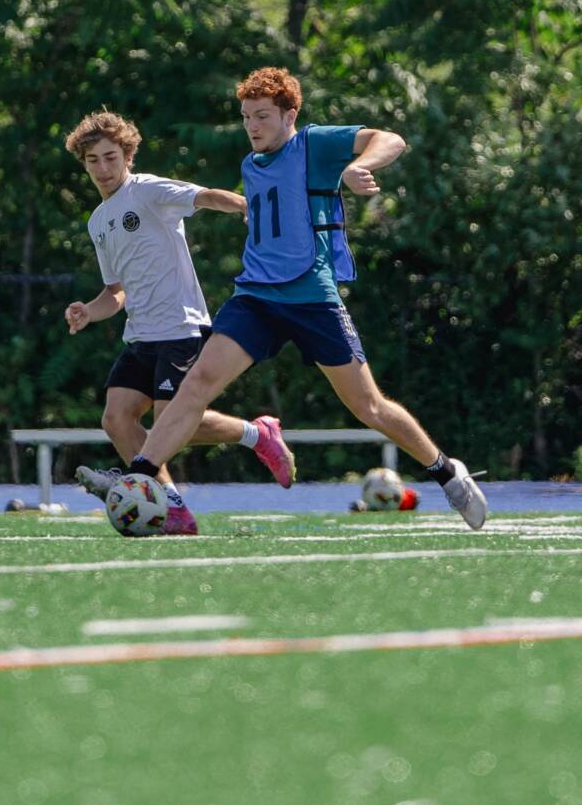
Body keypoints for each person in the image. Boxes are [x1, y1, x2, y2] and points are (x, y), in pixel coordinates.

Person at [113, 66, 487, 534]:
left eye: (263, 116)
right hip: (255, 297)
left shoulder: (313, 144)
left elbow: (390, 138)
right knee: (196, 384)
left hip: (311, 298)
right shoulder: (252, 164)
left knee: (367, 406)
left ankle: (448, 473)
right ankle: (141, 476)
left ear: (290, 116)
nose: (252, 126)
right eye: (246, 116)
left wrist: (359, 166)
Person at [59, 110, 295, 508]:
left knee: (174, 421)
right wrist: (88, 311)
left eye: (110, 157)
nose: (103, 168)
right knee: (117, 419)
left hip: (180, 328)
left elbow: (204, 196)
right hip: (140, 336)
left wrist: (243, 205)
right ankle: (170, 506)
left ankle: (258, 434)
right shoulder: (98, 221)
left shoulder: (147, 190)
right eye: (93, 160)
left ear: (128, 156)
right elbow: (116, 292)